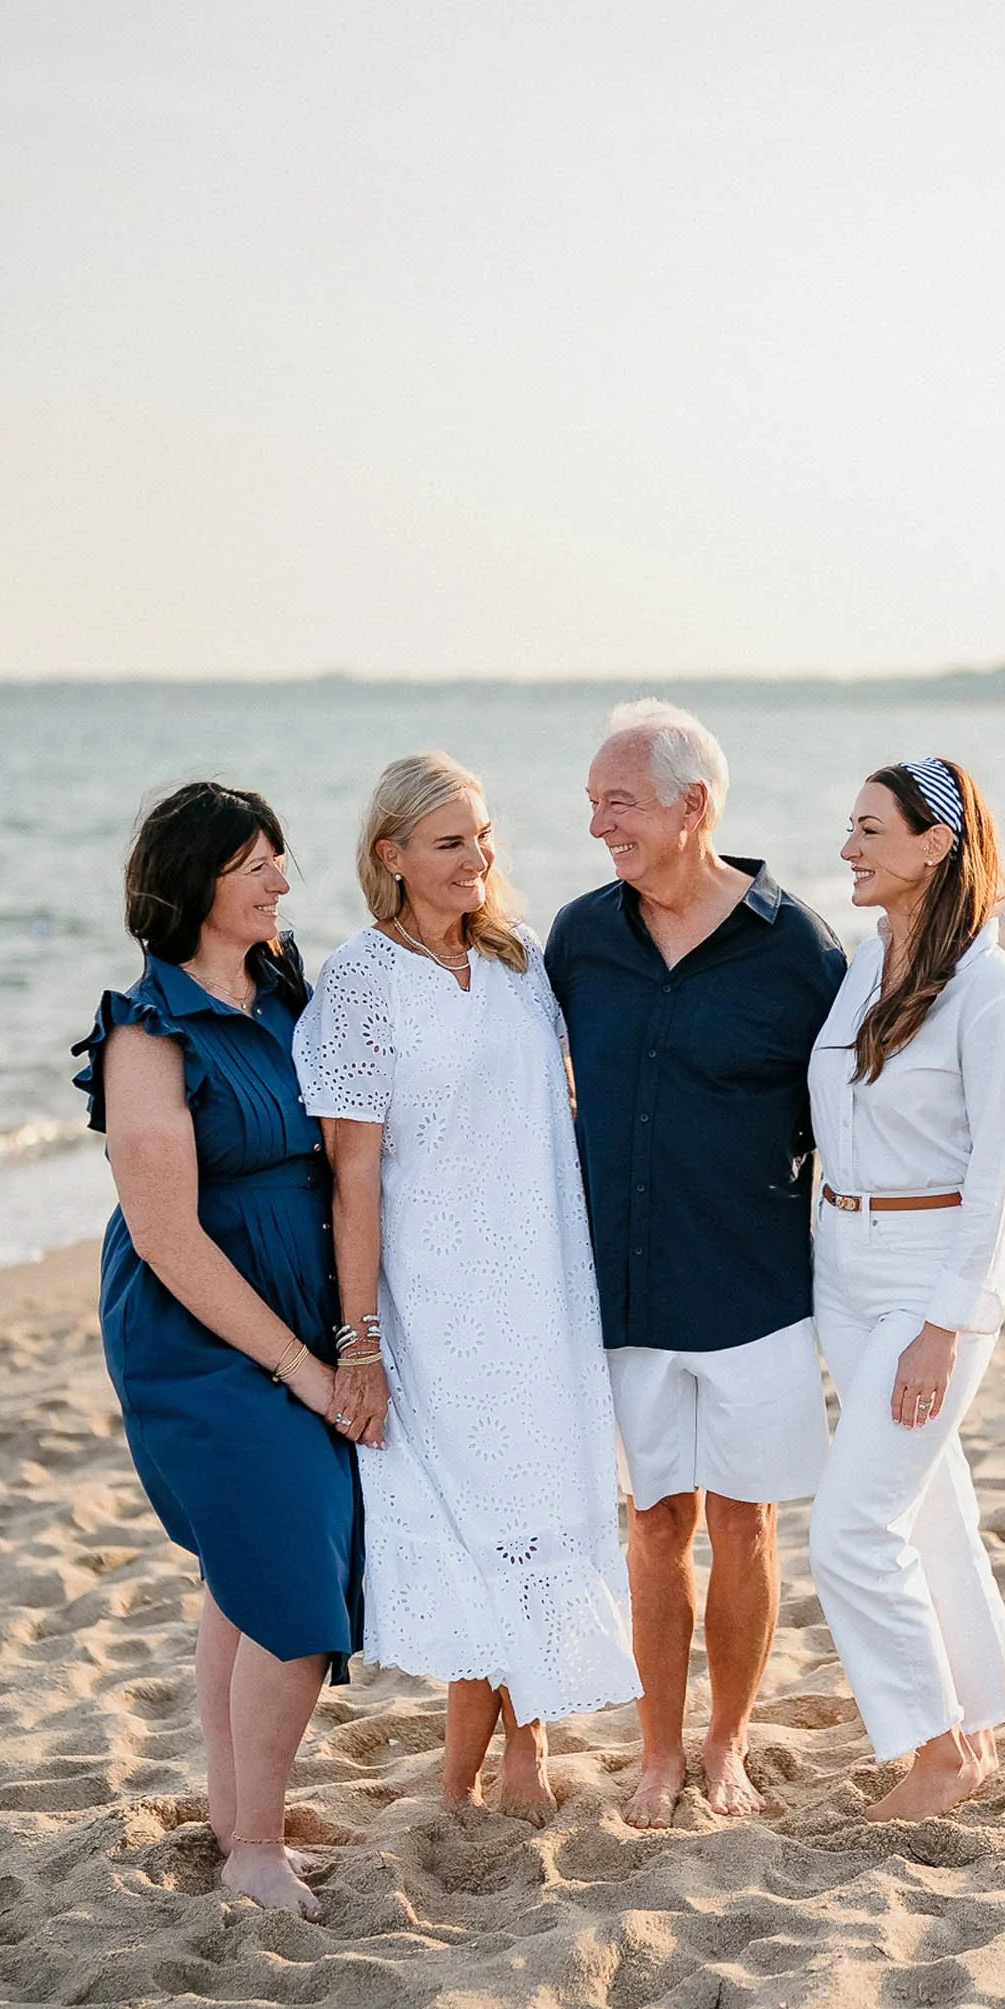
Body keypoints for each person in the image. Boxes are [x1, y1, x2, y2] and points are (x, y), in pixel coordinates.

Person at [292, 752, 639, 1817]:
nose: (476, 859)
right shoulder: (360, 980)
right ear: (389, 856)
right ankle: (455, 1777)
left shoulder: (521, 961)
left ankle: (525, 1749)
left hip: (540, 1289)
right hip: (433, 1302)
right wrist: (358, 1342)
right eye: (449, 843)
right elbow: (351, 1179)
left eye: (483, 837)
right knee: (470, 1523)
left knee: (534, 1509)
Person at [544, 700, 847, 1827]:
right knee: (654, 1523)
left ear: (692, 805)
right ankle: (659, 1752)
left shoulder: (798, 949)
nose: (597, 826)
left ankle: (728, 1742)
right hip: (620, 1290)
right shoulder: (579, 937)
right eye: (591, 804)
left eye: (616, 803)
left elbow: (852, 1113)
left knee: (744, 1524)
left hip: (756, 1291)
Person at [72, 782, 361, 1923]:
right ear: (194, 885)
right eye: (256, 864)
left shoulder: (293, 994)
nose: (282, 880)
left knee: (246, 1574)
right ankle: (250, 1849)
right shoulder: (148, 1031)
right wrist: (301, 1365)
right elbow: (167, 1235)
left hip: (304, 1313)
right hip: (199, 1335)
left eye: (281, 859)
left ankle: (239, 1817)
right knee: (294, 1576)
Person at [807, 757, 1005, 1823]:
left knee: (852, 1527)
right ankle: (977, 1714)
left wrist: (944, 1327)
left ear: (934, 844)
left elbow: (997, 1181)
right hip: (841, 1272)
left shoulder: (997, 993)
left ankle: (935, 1753)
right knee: (928, 1505)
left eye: (869, 830)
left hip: (927, 1283)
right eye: (848, 830)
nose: (848, 848)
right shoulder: (864, 963)